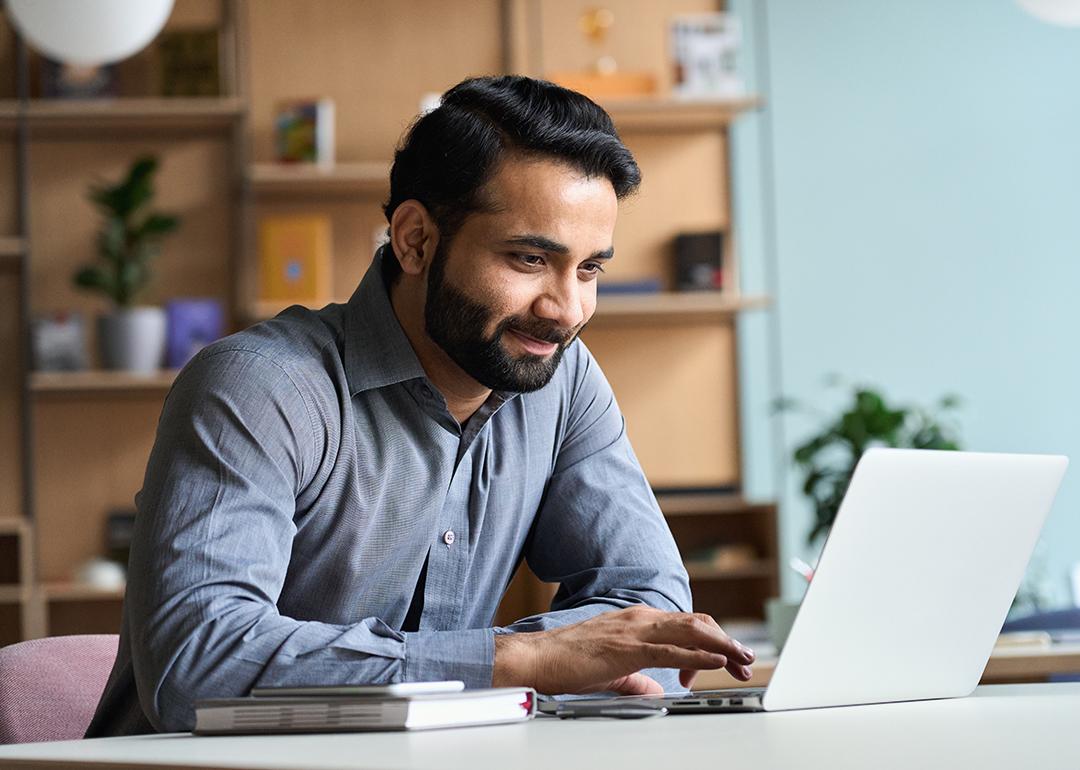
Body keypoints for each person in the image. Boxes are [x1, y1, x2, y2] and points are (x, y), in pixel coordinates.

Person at [86, 75, 755, 736]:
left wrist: (560, 662)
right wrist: (520, 660)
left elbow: (651, 606)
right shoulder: (259, 388)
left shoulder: (563, 379)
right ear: (414, 240)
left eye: (589, 270)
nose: (566, 310)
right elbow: (198, 666)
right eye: (528, 259)